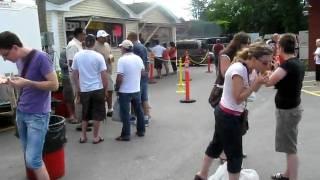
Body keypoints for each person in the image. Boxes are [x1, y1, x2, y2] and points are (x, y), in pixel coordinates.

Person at [194, 43, 273, 180]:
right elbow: (238, 98)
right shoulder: (239, 70)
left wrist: (259, 82)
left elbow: (252, 91)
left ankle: (202, 175)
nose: (268, 66)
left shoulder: (251, 69)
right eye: (265, 62)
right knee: (235, 155)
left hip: (227, 113)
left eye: (270, 62)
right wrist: (255, 84)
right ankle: (205, 175)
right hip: (228, 115)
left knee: (216, 145)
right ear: (253, 58)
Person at [0, 31, 59, 180]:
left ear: (15, 47)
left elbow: (54, 85)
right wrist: (12, 82)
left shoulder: (41, 57)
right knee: (28, 156)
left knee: (33, 160)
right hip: (22, 112)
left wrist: (28, 83)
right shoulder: (19, 60)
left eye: (5, 55)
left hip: (37, 115)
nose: (5, 59)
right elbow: (25, 84)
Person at [266, 34, 305, 180]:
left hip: (288, 110)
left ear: (280, 47)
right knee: (289, 146)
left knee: (290, 148)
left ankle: (292, 177)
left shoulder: (287, 65)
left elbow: (269, 82)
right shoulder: (298, 63)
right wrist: (276, 68)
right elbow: (284, 81)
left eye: (277, 46)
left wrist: (271, 70)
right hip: (294, 107)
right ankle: (287, 174)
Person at [72, 34, 108, 144]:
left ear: (84, 43)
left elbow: (74, 74)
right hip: (97, 89)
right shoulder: (98, 56)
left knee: (85, 114)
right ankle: (96, 137)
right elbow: (104, 75)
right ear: (94, 43)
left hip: (84, 89)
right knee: (97, 114)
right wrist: (105, 90)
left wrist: (78, 88)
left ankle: (83, 137)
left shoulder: (77, 56)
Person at [115, 39, 145, 141]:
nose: (120, 49)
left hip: (125, 91)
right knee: (139, 111)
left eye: (121, 48)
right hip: (136, 89)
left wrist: (117, 88)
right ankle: (141, 131)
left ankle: (126, 135)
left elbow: (120, 77)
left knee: (125, 113)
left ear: (124, 48)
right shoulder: (138, 59)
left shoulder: (122, 60)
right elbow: (143, 73)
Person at [127, 32, 151, 126]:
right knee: (144, 98)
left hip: (137, 76)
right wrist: (147, 72)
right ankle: (146, 117)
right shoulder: (143, 47)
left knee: (135, 98)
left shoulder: (134, 47)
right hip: (144, 74)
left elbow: (133, 62)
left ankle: (134, 117)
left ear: (130, 38)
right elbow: (147, 61)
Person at [66, 28, 87, 130]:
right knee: (78, 97)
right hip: (76, 74)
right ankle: (80, 122)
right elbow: (71, 62)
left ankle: (84, 120)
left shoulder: (79, 44)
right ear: (79, 34)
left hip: (81, 74)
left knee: (82, 97)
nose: (85, 36)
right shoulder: (73, 45)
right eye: (84, 34)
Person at [94, 30, 114, 117]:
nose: (106, 38)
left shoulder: (107, 45)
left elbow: (111, 54)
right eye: (103, 37)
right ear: (98, 37)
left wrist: (111, 58)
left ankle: (110, 109)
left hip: (108, 71)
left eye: (106, 36)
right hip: (98, 73)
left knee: (110, 90)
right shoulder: (94, 46)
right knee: (101, 92)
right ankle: (101, 110)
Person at [59, 48, 77, 123]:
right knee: (69, 96)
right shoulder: (64, 52)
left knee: (77, 97)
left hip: (77, 76)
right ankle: (71, 115)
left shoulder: (78, 50)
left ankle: (78, 115)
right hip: (67, 77)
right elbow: (62, 65)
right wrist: (73, 64)